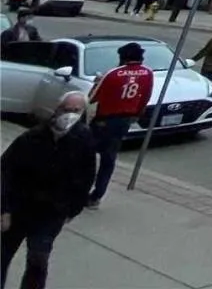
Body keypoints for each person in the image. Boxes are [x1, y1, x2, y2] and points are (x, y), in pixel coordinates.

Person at [0, 91, 96, 289]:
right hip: (20, 206)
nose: (69, 114)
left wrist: (73, 209)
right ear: (57, 109)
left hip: (51, 212)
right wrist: (4, 209)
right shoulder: (32, 137)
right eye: (66, 109)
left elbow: (86, 178)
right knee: (2, 254)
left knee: (38, 259)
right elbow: (6, 171)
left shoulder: (83, 141)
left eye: (76, 110)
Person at [84, 42, 154, 209]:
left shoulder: (113, 74)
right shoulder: (147, 73)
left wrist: (97, 83)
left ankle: (81, 189)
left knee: (87, 154)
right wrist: (136, 114)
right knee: (109, 159)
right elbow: (146, 97)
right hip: (124, 120)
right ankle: (97, 196)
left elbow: (92, 98)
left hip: (104, 120)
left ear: (123, 57)